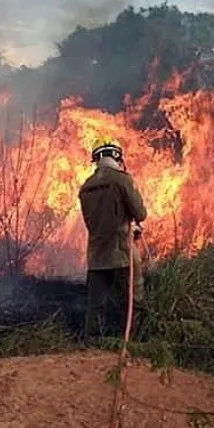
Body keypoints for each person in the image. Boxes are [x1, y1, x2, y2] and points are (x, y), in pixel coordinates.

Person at [78, 138, 147, 341]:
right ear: (116, 155)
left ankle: (93, 342)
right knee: (133, 297)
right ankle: (135, 340)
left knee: (95, 304)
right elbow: (140, 213)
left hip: (96, 255)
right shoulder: (122, 180)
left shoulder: (85, 187)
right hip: (122, 252)